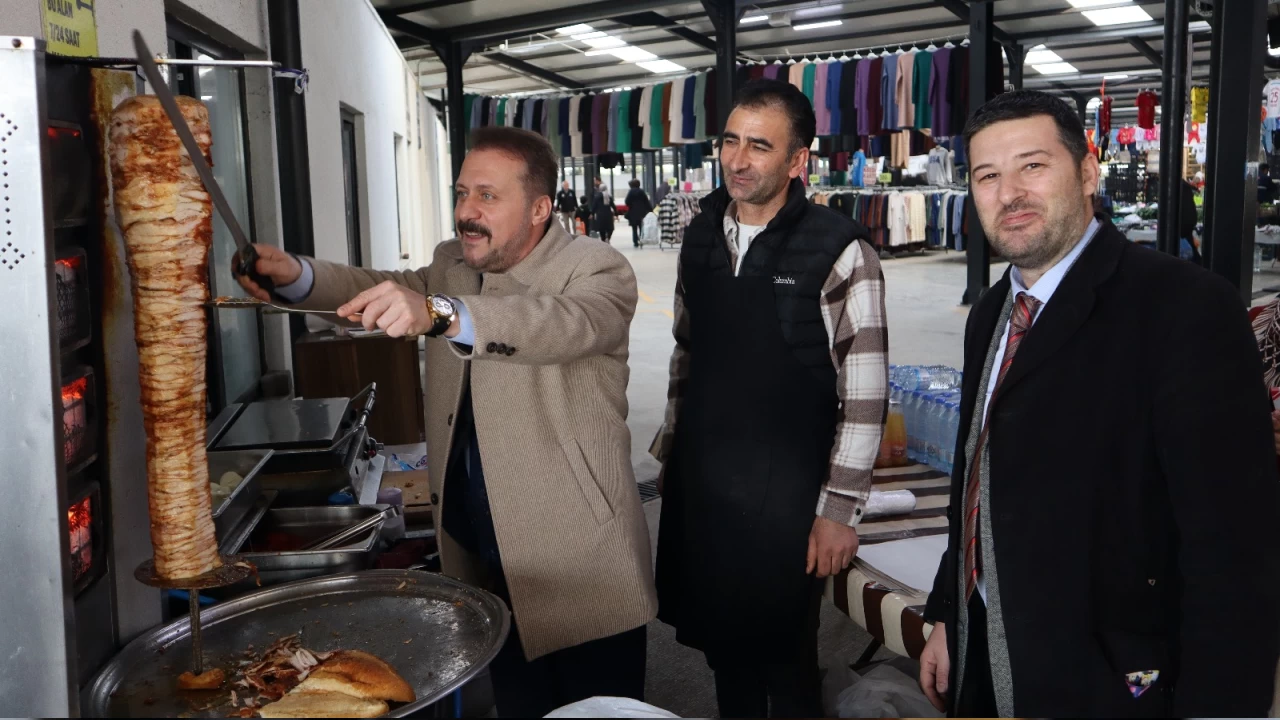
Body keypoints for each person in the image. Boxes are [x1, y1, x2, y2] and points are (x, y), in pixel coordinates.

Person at [235, 126, 657, 718]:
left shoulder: (596, 268)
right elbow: (379, 288)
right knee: (517, 703)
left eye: (487, 195)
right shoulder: (451, 263)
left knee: (600, 709)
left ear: (539, 208)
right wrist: (298, 276)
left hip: (576, 556)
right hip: (482, 552)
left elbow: (559, 323)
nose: (466, 212)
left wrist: (440, 313)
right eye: (462, 193)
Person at [917, 89, 1280, 718]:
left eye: (1033, 166)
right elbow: (975, 478)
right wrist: (952, 612)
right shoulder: (993, 313)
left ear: (1087, 172)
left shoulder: (1182, 308)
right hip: (989, 650)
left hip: (1112, 679)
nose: (1010, 193)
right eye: (987, 176)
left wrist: (1221, 708)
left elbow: (1234, 546)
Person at [651, 79, 888, 718]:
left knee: (785, 650)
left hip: (788, 491)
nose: (738, 159)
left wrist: (838, 511)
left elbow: (864, 393)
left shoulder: (840, 250)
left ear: (797, 159)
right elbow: (686, 352)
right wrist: (672, 451)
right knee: (720, 642)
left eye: (760, 145)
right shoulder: (701, 235)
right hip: (707, 479)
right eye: (730, 141)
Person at [623, 179, 654, 248]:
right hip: (642, 212)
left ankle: (635, 242)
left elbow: (627, 201)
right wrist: (650, 210)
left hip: (633, 212)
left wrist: (631, 205)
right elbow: (646, 201)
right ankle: (641, 239)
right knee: (641, 227)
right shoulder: (641, 191)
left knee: (634, 228)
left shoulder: (630, 192)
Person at [591, 177, 616, 243]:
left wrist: (592, 213)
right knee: (610, 228)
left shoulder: (597, 196)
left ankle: (603, 239)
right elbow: (613, 206)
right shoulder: (609, 196)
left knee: (601, 228)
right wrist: (616, 214)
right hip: (608, 214)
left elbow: (594, 206)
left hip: (600, 214)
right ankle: (608, 238)